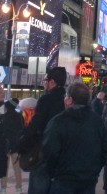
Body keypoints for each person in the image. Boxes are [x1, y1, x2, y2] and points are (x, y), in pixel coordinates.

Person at [42, 82, 107, 193]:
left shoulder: (58, 122)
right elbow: (105, 149)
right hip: (88, 179)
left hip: (63, 180)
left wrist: (52, 173)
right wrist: (95, 171)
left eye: (66, 96)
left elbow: (49, 151)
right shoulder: (97, 121)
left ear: (70, 100)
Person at [19, 66, 67, 194]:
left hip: (44, 150)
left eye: (45, 80)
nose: (44, 83)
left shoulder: (46, 99)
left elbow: (36, 125)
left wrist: (22, 143)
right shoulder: (67, 100)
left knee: (38, 186)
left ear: (52, 82)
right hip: (62, 152)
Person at [0, 98, 24, 194]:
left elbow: (1, 132)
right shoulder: (19, 116)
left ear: (8, 106)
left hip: (5, 145)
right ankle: (19, 188)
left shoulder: (4, 117)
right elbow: (22, 130)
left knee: (4, 168)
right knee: (17, 168)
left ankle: (3, 188)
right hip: (16, 146)